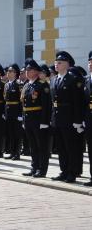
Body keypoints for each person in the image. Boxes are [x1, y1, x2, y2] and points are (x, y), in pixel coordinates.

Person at [50, 51, 83, 183]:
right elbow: (52, 103)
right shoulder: (53, 80)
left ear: (67, 65)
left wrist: (77, 121)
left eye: (60, 63)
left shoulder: (73, 80)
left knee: (71, 147)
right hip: (57, 119)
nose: (56, 65)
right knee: (61, 148)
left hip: (69, 119)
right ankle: (64, 170)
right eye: (56, 63)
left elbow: (77, 102)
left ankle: (72, 172)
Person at [22, 58, 51, 178]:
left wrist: (44, 121)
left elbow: (46, 105)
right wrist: (24, 120)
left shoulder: (42, 85)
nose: (27, 72)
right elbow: (23, 104)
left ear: (36, 71)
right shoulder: (27, 85)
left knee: (41, 146)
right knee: (32, 146)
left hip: (38, 120)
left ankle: (42, 169)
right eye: (26, 70)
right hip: (28, 119)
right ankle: (34, 167)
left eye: (30, 70)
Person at [4, 64, 22, 160]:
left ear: (15, 73)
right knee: (10, 133)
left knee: (17, 134)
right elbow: (5, 99)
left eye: (10, 71)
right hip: (8, 112)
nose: (8, 73)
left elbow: (21, 100)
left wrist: (20, 114)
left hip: (16, 112)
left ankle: (17, 153)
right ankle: (12, 152)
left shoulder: (19, 84)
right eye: (8, 71)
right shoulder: (7, 84)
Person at [84, 51, 92, 186]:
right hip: (89, 119)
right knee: (91, 149)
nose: (90, 64)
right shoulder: (85, 80)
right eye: (89, 62)